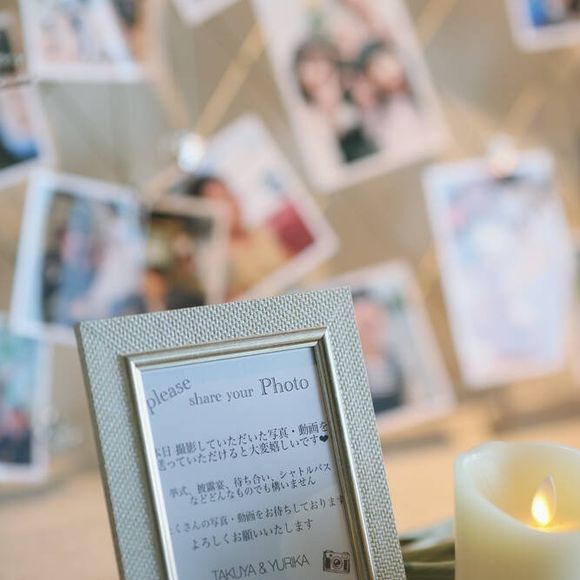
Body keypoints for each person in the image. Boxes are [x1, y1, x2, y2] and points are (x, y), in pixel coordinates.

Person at [181, 175, 295, 298]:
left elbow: (294, 264)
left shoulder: (261, 231)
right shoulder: (216, 262)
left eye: (230, 194)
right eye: (222, 199)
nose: (233, 202)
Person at [353, 290, 406, 414]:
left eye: (374, 320)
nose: (371, 330)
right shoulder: (349, 368)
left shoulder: (392, 358)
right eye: (364, 325)